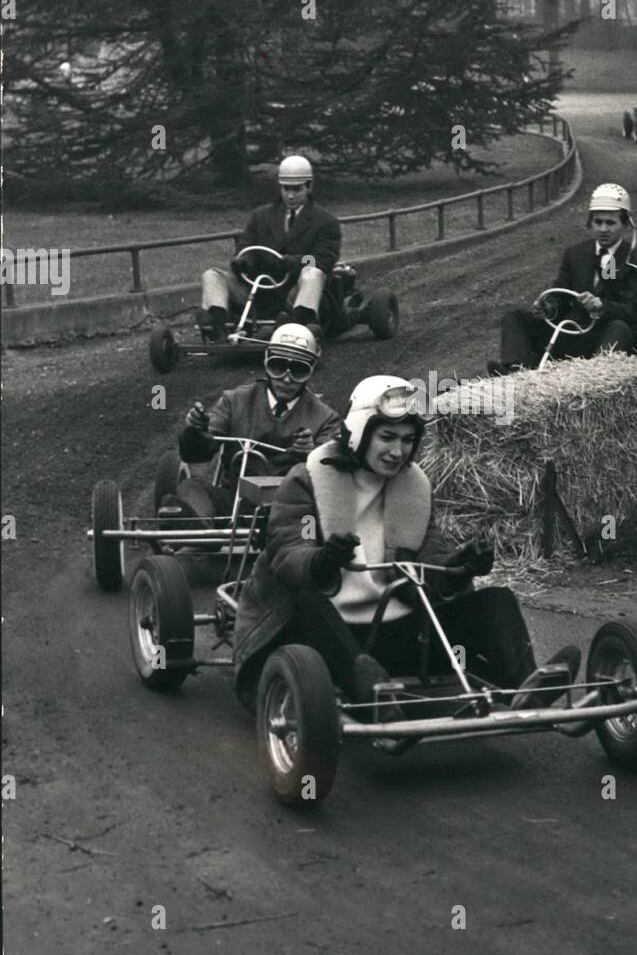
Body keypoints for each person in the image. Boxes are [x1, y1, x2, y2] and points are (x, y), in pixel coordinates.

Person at [233, 375, 580, 715]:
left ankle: (525, 687)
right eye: (386, 437)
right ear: (358, 433)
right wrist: (322, 558)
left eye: (407, 439)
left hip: (394, 630)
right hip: (321, 636)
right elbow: (289, 553)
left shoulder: (413, 487)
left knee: (496, 599)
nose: (397, 451)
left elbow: (428, 554)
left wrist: (460, 565)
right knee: (306, 599)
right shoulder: (307, 479)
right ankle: (370, 696)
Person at [159, 324, 340, 524]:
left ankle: (296, 544)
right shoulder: (234, 401)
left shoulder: (326, 418)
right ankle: (198, 537)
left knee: (313, 519)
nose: (287, 378)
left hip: (292, 513)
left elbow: (332, 477)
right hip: (235, 503)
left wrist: (312, 452)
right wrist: (196, 430)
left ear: (311, 370)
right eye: (278, 366)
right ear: (266, 362)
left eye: (298, 370)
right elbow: (196, 454)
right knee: (191, 487)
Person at [487, 184, 637, 374]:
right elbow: (560, 295)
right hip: (575, 332)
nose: (603, 229)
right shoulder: (576, 255)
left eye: (610, 223)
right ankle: (518, 371)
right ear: (590, 223)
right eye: (598, 222)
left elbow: (633, 311)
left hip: (612, 335)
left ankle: (597, 378)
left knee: (619, 327)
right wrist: (548, 308)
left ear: (625, 225)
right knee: (515, 316)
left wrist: (602, 305)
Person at [196, 155, 341, 342]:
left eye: (296, 189)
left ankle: (297, 325)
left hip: (295, 289)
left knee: (313, 273)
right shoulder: (261, 216)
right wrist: (243, 261)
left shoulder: (325, 221)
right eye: (285, 189)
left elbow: (321, 259)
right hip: (260, 289)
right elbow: (245, 245)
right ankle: (219, 323)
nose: (290, 195)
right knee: (212, 274)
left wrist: (294, 262)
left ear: (309, 186)